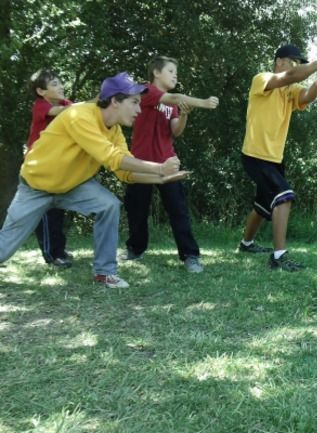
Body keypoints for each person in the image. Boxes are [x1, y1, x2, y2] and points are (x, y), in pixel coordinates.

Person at [0, 72, 189, 288]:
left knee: (108, 205)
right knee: (3, 249)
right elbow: (112, 157)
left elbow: (124, 172)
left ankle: (104, 272)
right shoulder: (79, 115)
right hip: (35, 188)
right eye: (134, 102)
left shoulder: (115, 131)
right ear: (115, 101)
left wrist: (162, 177)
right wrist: (160, 168)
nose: (139, 110)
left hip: (73, 185)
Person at [238, 44, 317, 271]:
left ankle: (246, 244)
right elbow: (296, 74)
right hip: (255, 154)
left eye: (299, 62)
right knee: (284, 196)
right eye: (293, 61)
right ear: (279, 61)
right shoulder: (262, 79)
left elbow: (310, 95)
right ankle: (279, 256)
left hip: (275, 158)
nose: (297, 65)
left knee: (263, 203)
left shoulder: (291, 89)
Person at [123, 56, 219, 273]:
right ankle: (135, 249)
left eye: (176, 72)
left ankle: (190, 256)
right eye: (170, 71)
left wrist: (184, 114)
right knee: (136, 209)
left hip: (168, 163)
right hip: (141, 163)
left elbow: (176, 130)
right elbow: (174, 97)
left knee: (178, 210)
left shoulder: (172, 105)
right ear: (156, 73)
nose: (175, 75)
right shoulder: (147, 91)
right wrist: (203, 103)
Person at [26, 69, 74, 268]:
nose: (61, 86)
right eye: (54, 84)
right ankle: (51, 255)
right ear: (41, 91)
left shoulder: (65, 103)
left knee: (57, 209)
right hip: (39, 167)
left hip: (56, 166)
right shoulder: (41, 106)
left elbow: (76, 110)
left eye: (60, 82)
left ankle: (59, 250)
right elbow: (68, 112)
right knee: (46, 212)